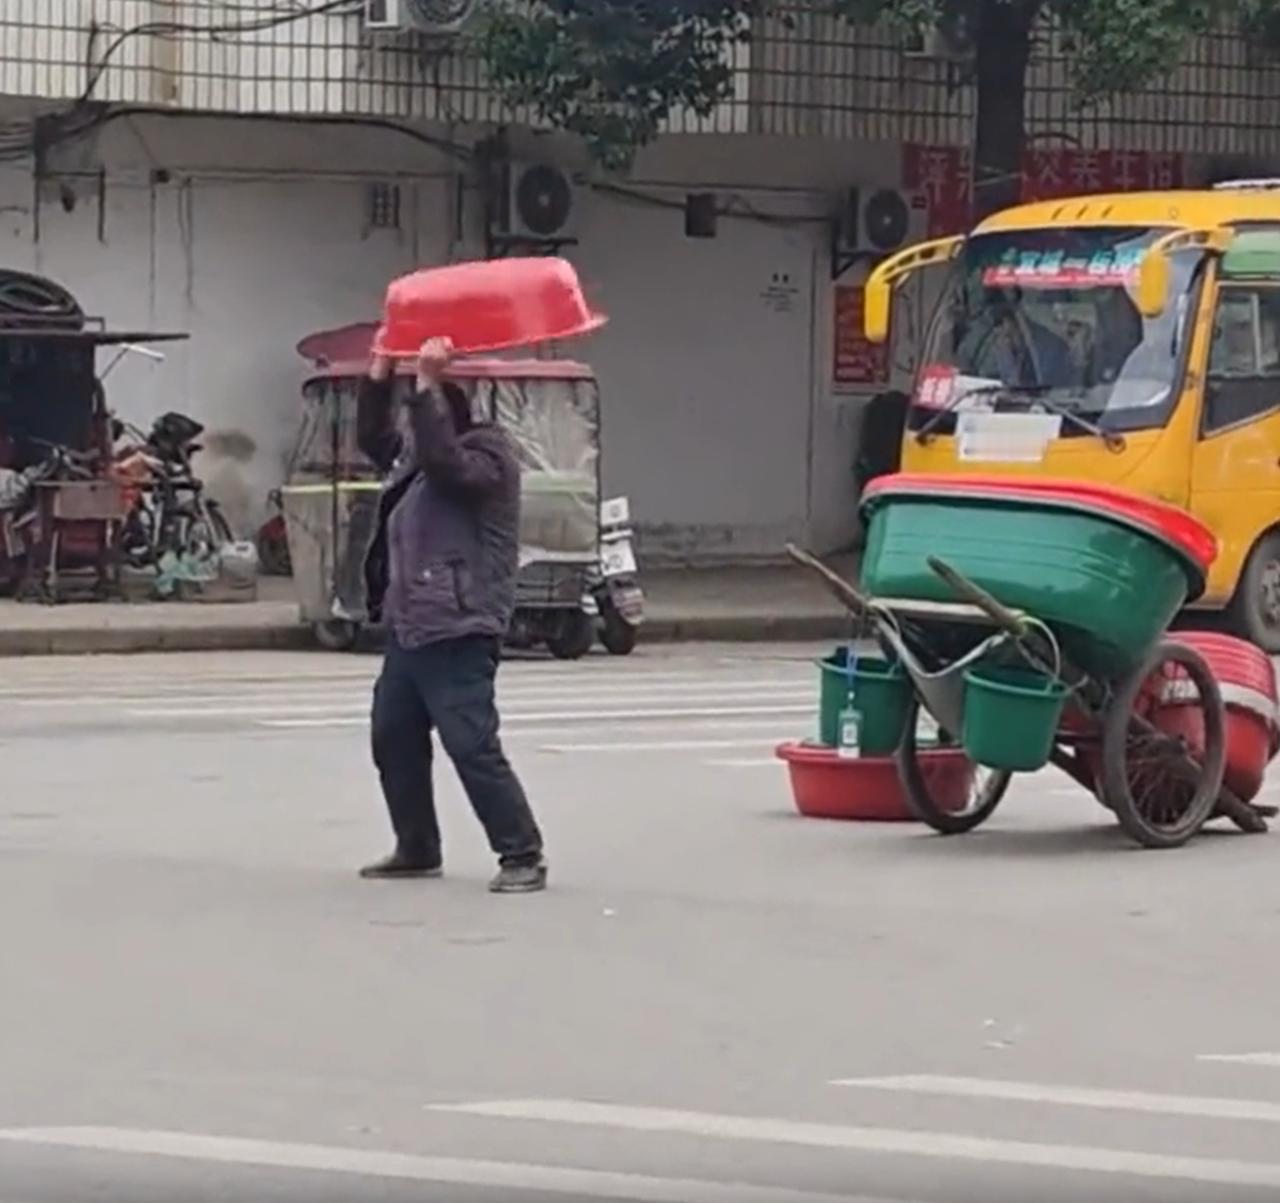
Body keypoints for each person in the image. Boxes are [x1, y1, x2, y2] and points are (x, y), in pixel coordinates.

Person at [356, 336, 547, 894]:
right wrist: (380, 374)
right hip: (412, 623)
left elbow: (446, 465)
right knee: (393, 737)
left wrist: (427, 383)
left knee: (470, 743)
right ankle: (417, 846)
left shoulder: (487, 459)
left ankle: (522, 852)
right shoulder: (417, 461)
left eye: (421, 414)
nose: (410, 431)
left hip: (461, 624)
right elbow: (375, 440)